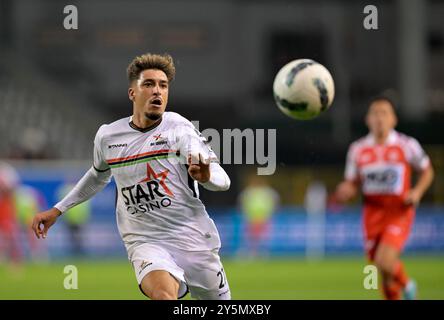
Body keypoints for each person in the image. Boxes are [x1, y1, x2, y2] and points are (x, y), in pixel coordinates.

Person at [31, 53, 232, 300]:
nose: (157, 91)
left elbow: (223, 180)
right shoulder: (108, 136)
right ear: (132, 93)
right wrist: (58, 209)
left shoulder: (179, 129)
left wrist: (206, 176)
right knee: (163, 296)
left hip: (192, 238)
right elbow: (98, 175)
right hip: (145, 240)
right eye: (148, 84)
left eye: (163, 85)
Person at [334, 96, 434, 300]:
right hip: (372, 213)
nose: (379, 118)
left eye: (384, 113)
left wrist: (417, 192)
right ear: (367, 120)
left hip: (398, 210)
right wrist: (347, 190)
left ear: (394, 120)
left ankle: (407, 284)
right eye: (375, 113)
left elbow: (427, 171)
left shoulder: (407, 145)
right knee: (381, 271)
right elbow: (352, 183)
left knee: (385, 260)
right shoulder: (357, 149)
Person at [238, 175, 279, 257]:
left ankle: (262, 252)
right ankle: (251, 252)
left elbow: (275, 202)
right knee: (251, 236)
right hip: (251, 217)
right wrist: (245, 214)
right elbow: (242, 202)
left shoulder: (268, 192)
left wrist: (270, 214)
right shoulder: (248, 192)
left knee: (263, 237)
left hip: (264, 217)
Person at [0, 161, 22, 268]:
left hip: (6, 209)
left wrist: (5, 187)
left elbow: (12, 189)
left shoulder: (7, 171)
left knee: (10, 236)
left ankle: (15, 260)